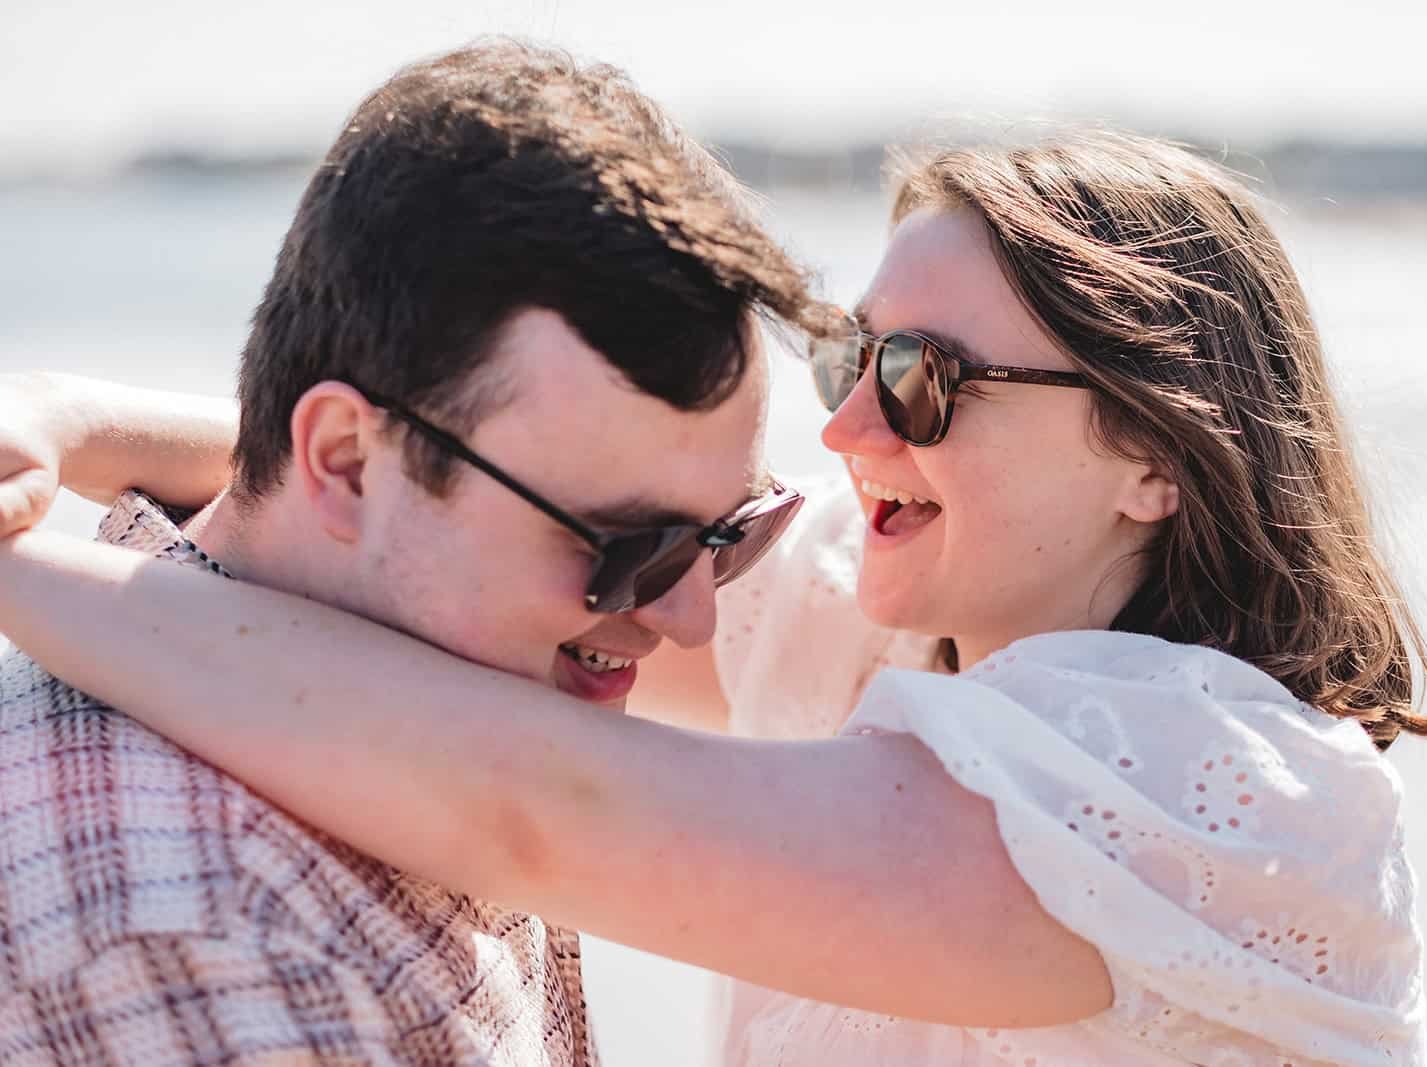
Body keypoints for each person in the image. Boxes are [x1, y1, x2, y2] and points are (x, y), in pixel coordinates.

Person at [0, 130, 1427, 1066]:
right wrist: (63, 420)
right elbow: (453, 484)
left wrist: (22, 570)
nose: (848, 434)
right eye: (849, 362)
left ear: (1153, 452)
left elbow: (541, 808)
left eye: (921, 383)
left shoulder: (1239, 798)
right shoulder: (882, 617)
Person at [0, 38, 828, 1066]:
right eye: (630, 545)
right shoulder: (201, 922)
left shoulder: (447, 667)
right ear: (346, 462)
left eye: (732, 531)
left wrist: (76, 413)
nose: (691, 615)